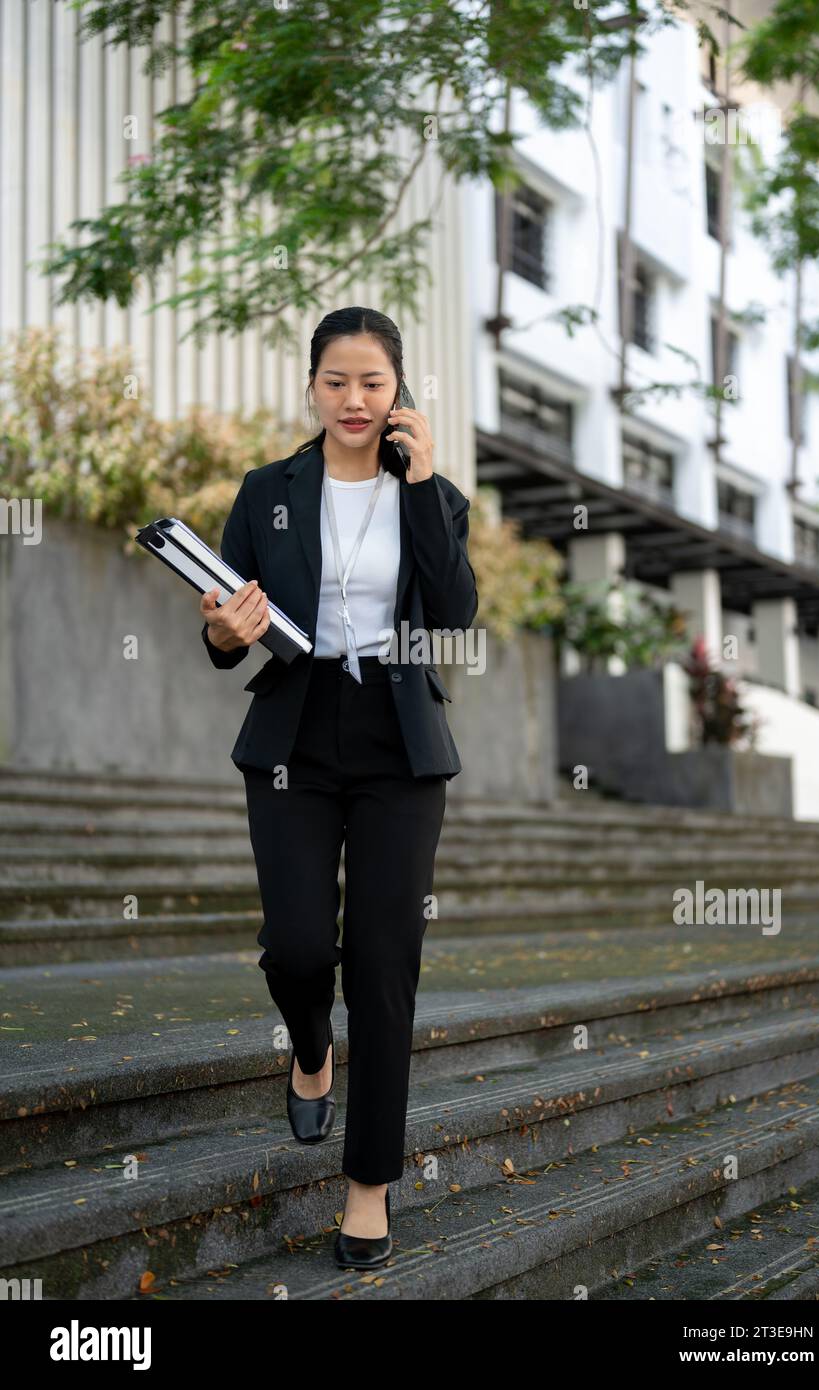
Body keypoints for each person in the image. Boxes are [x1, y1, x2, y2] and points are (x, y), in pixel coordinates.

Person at [199, 305, 478, 1269]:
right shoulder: (267, 490)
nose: (354, 400)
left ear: (398, 391)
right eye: (336, 382)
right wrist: (222, 630)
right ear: (311, 387)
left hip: (401, 745)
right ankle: (311, 1047)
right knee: (298, 947)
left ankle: (369, 1188)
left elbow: (453, 609)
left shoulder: (429, 493)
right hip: (293, 733)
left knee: (385, 963)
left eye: (373, 383)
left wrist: (427, 478)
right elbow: (224, 628)